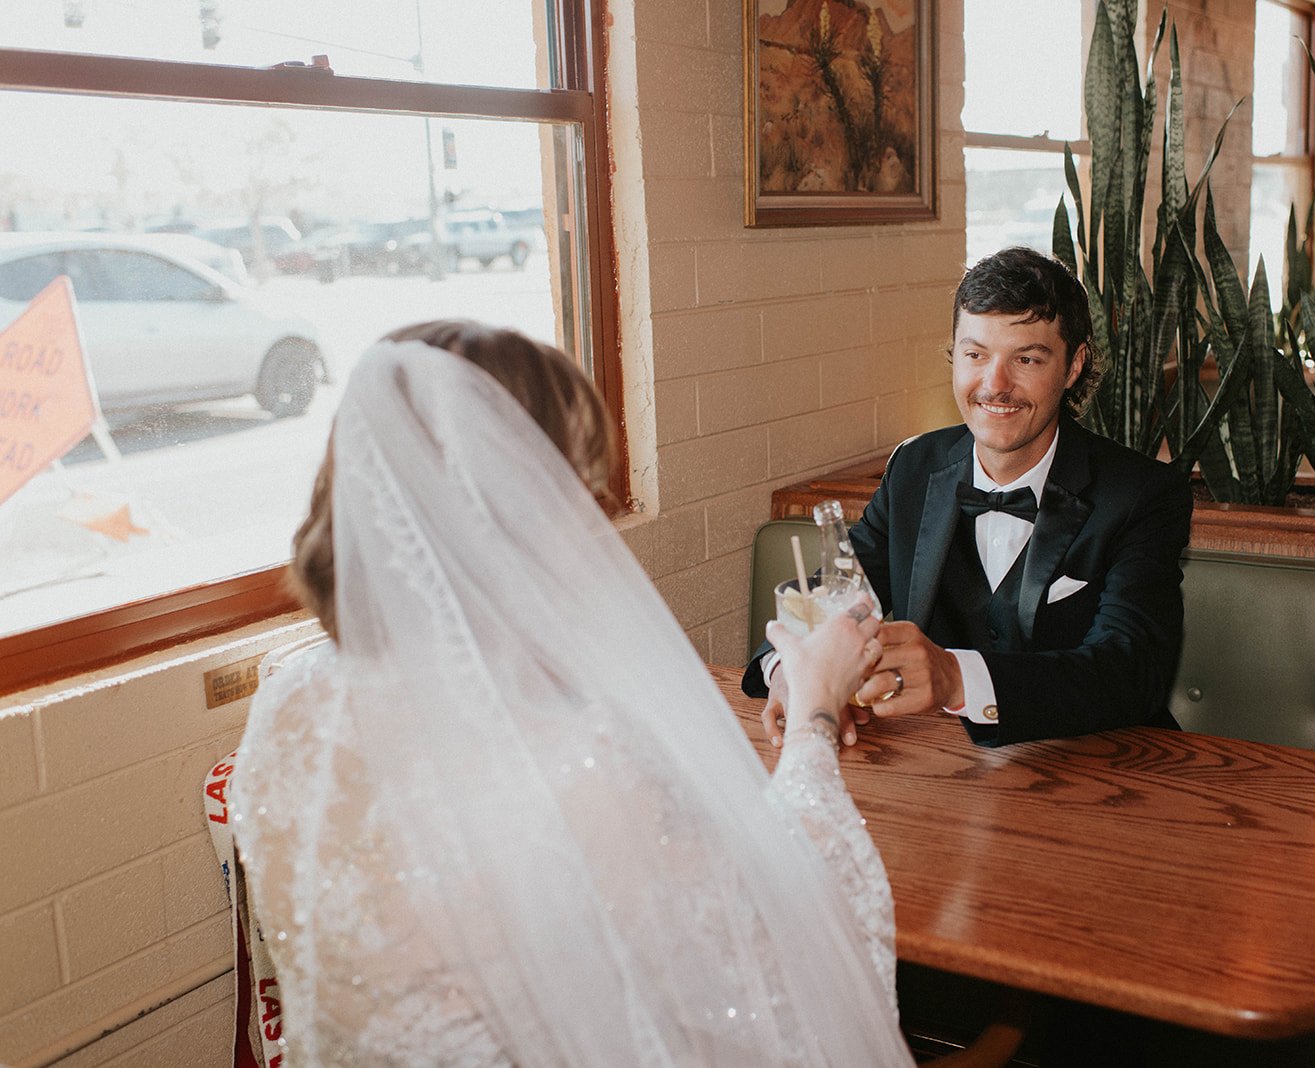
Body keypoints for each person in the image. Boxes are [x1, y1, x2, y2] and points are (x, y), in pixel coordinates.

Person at [229, 320, 915, 1065]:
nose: (593, 517)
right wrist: (815, 708)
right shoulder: (573, 765)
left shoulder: (290, 712)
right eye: (573, 486)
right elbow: (776, 960)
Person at [746, 247, 1192, 747]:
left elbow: (1132, 671)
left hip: (1108, 768)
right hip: (945, 767)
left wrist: (956, 678)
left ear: (1073, 366)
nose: (994, 385)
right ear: (954, 356)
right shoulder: (914, 468)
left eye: (1026, 359)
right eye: (975, 354)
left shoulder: (1143, 493)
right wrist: (788, 668)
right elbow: (833, 595)